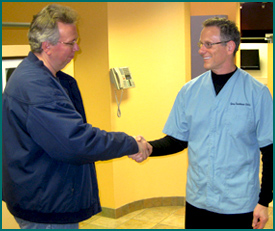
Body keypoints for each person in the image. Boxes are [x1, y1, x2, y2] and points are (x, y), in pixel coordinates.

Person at [2, 4, 151, 229]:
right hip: (46, 209)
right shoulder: (38, 87)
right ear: (47, 46)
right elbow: (76, 142)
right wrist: (130, 143)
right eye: (71, 43)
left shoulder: (46, 78)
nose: (77, 48)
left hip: (43, 198)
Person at [131, 17, 273, 229]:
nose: (201, 50)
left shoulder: (257, 93)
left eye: (208, 44)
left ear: (230, 47)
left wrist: (264, 201)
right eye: (201, 44)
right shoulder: (190, 91)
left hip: (239, 204)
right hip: (198, 201)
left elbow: (269, 151)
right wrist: (148, 148)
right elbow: (177, 140)